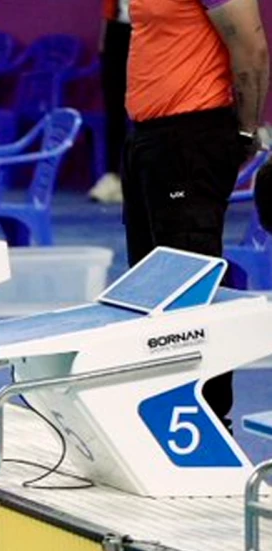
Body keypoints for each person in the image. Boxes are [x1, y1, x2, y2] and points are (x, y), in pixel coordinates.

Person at [122, 0, 268, 429]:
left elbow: (252, 46)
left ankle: (207, 419)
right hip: (149, 137)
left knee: (191, 285)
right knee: (148, 287)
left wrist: (244, 132)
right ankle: (160, 407)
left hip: (192, 134)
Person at [87, 0, 131, 204]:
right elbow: (109, 8)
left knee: (151, 111)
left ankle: (146, 178)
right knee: (114, 110)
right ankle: (113, 176)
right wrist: (105, 41)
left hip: (154, 32)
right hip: (118, 31)